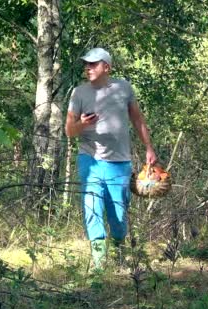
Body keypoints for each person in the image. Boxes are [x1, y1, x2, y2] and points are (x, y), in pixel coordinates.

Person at [65, 47, 157, 269]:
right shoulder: (79, 93)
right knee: (92, 206)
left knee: (117, 213)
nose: (88, 68)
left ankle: (118, 253)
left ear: (107, 66)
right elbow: (69, 131)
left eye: (93, 64)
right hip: (90, 159)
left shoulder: (123, 88)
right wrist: (83, 124)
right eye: (86, 64)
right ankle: (98, 262)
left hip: (119, 162)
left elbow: (137, 119)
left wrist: (149, 148)